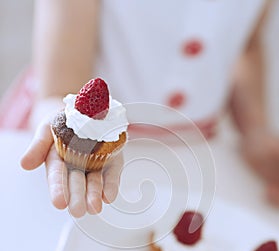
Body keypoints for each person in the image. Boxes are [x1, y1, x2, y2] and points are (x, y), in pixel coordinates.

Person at [21, 0, 279, 218]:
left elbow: (247, 44)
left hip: (198, 149)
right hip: (95, 145)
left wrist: (254, 128)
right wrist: (69, 130)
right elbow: (59, 89)